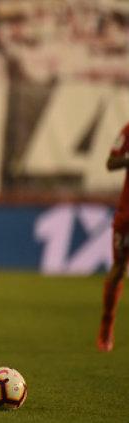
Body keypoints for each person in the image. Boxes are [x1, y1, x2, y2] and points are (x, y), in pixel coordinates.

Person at [98, 122, 129, 352]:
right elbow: (111, 162)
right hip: (127, 214)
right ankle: (107, 325)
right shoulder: (127, 131)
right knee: (119, 268)